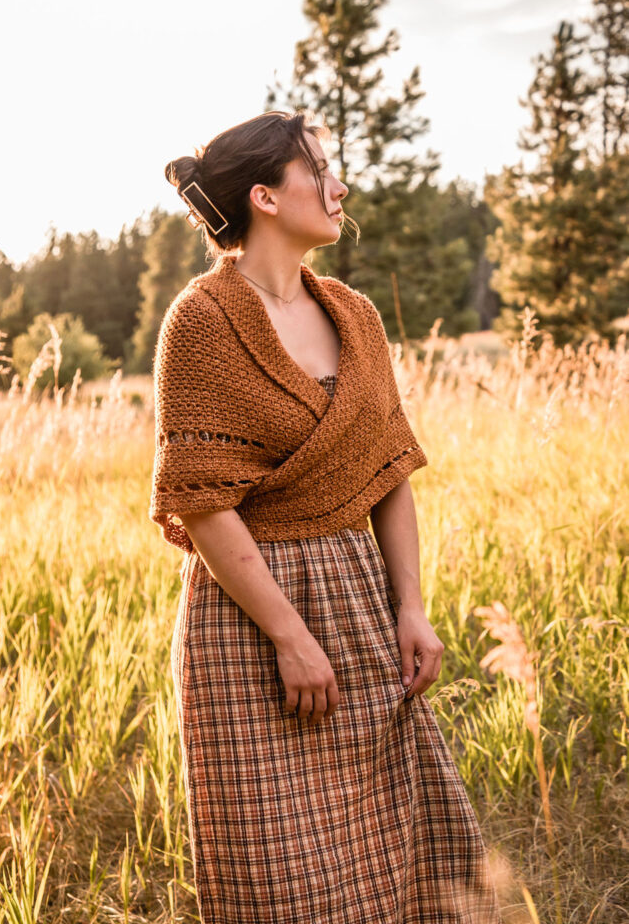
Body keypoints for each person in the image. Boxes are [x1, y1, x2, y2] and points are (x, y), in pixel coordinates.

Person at [150, 110, 503, 923]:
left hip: (359, 596)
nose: (339, 186)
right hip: (247, 620)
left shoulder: (355, 315)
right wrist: (289, 636)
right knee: (278, 876)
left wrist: (409, 608)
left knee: (402, 848)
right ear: (266, 196)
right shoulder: (200, 323)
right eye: (320, 169)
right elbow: (204, 506)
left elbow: (389, 473)